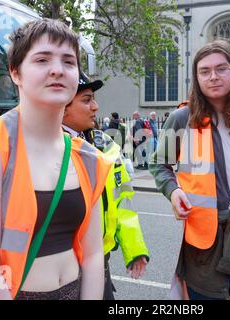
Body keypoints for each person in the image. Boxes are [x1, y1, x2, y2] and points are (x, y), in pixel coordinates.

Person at [0, 19, 111, 300]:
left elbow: (92, 256)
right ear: (15, 73)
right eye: (42, 59)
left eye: (68, 61)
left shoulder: (89, 158)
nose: (57, 69)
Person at [150, 40, 230, 300]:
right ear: (196, 78)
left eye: (221, 69)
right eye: (204, 71)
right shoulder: (182, 118)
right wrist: (173, 191)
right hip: (204, 240)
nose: (213, 77)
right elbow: (159, 164)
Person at [62, 72, 149, 300]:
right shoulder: (45, 146)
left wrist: (134, 249)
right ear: (63, 106)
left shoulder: (105, 143)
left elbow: (122, 200)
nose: (96, 106)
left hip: (101, 259)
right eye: (87, 99)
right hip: (61, 266)